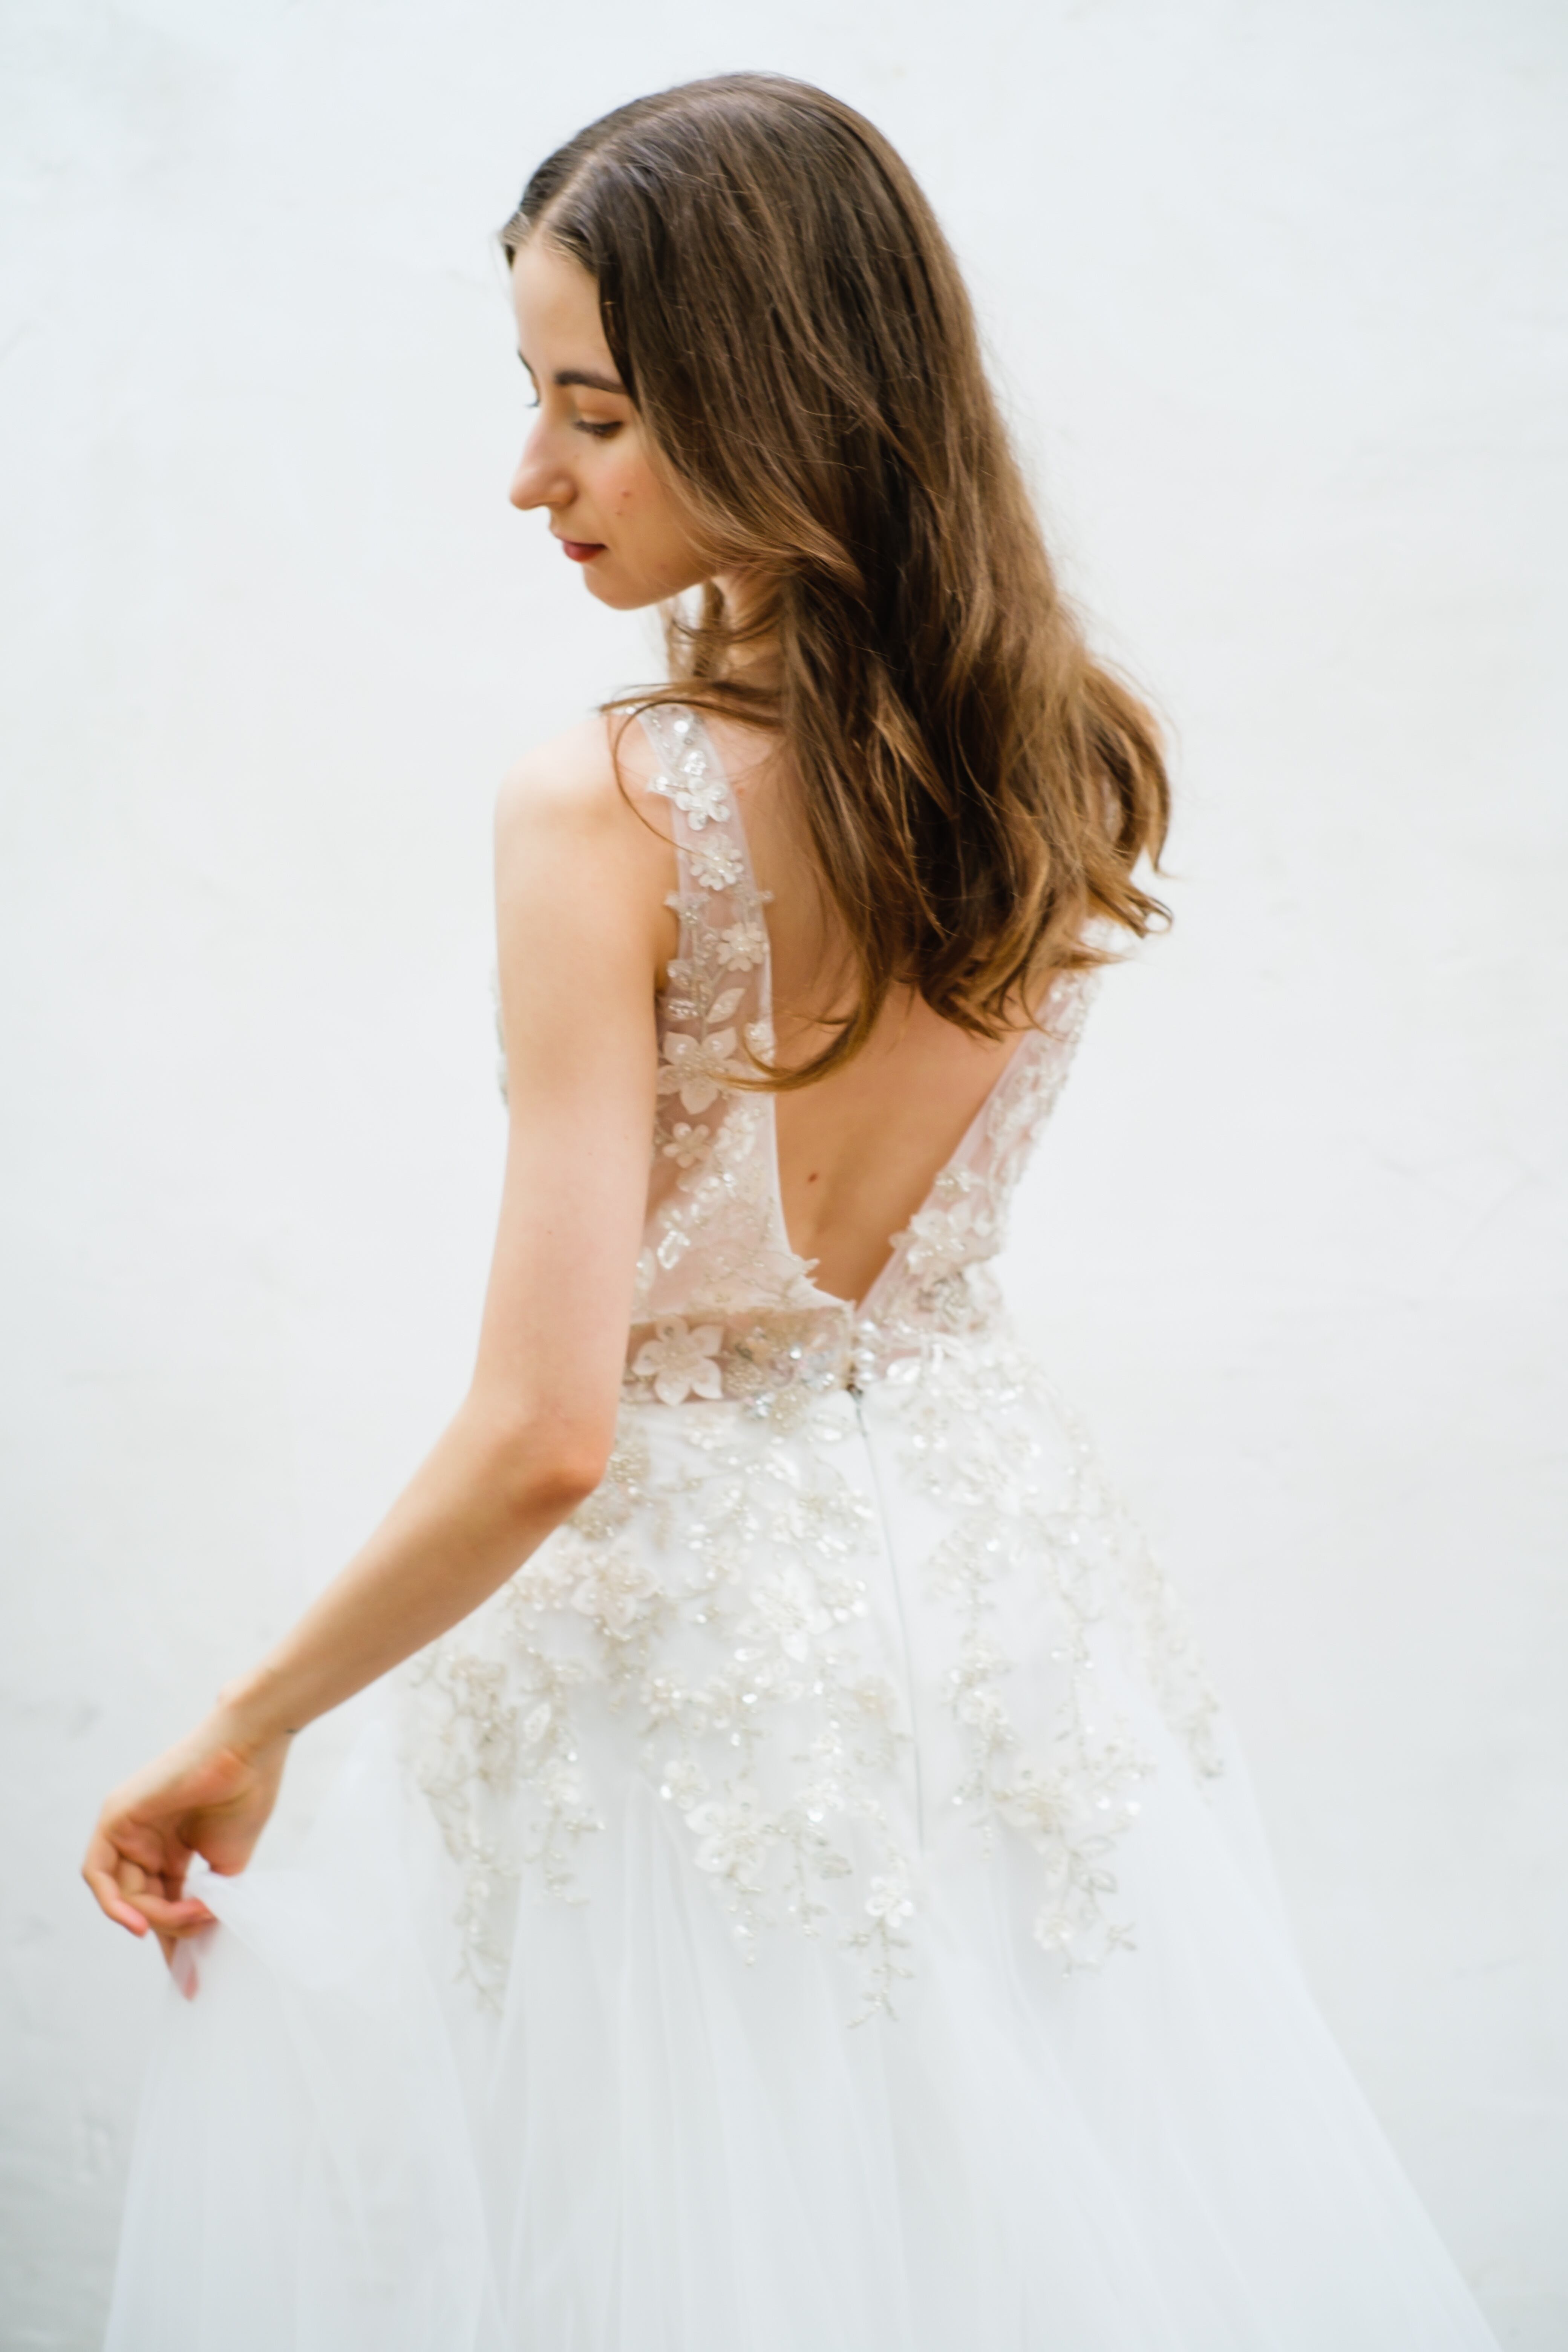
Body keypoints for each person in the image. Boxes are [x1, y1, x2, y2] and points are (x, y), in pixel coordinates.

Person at [84, 73, 1501, 2352]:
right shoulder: (1066, 757)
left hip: (686, 1679)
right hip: (1001, 1618)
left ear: (770, 399)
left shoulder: (606, 808)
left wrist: (245, 1723)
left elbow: (549, 1433)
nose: (532, 474)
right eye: (539, 402)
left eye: (596, 414)